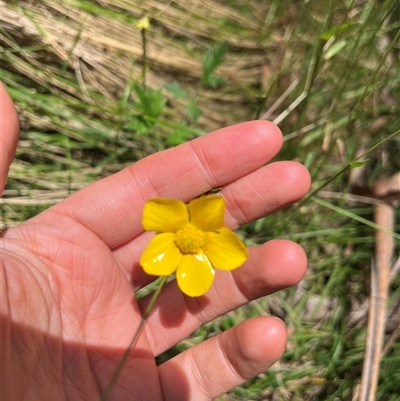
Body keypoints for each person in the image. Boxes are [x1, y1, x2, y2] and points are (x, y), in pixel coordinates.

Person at [0, 82, 310, 401]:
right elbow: (151, 260)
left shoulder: (210, 217)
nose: (191, 238)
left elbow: (217, 231)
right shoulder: (168, 229)